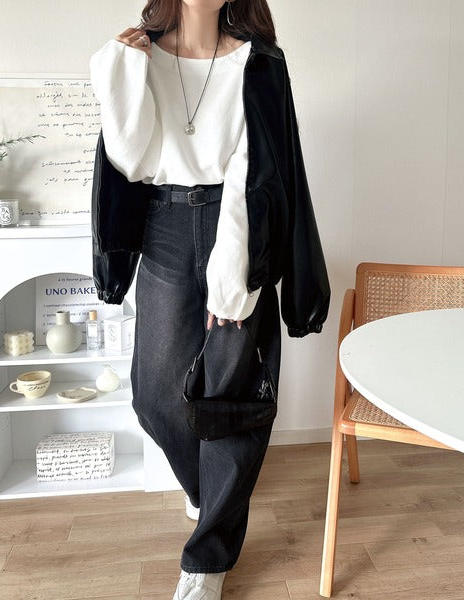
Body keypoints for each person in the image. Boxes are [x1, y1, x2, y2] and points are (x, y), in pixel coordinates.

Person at [89, 1, 330, 598]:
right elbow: (130, 160)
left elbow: (265, 170)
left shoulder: (261, 63)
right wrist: (120, 72)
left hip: (238, 222)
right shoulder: (140, 55)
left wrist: (235, 261)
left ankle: (208, 561)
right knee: (154, 396)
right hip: (164, 224)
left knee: (232, 395)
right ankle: (211, 493)